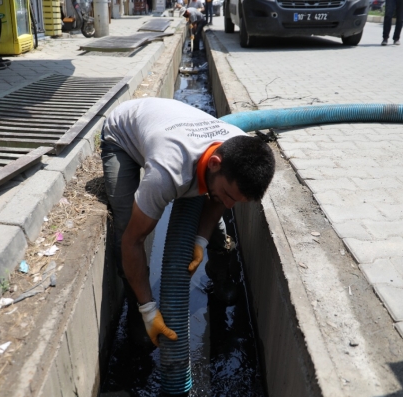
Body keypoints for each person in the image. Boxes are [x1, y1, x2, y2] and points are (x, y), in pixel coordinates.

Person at [100, 98, 275, 346]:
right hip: (122, 134)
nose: (229, 205)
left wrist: (200, 241)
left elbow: (220, 200)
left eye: (236, 201)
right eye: (228, 195)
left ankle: (220, 275)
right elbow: (133, 241)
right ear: (215, 164)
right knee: (126, 225)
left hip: (169, 123)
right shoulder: (167, 172)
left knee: (218, 217)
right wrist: (149, 310)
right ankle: (139, 309)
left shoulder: (235, 143)